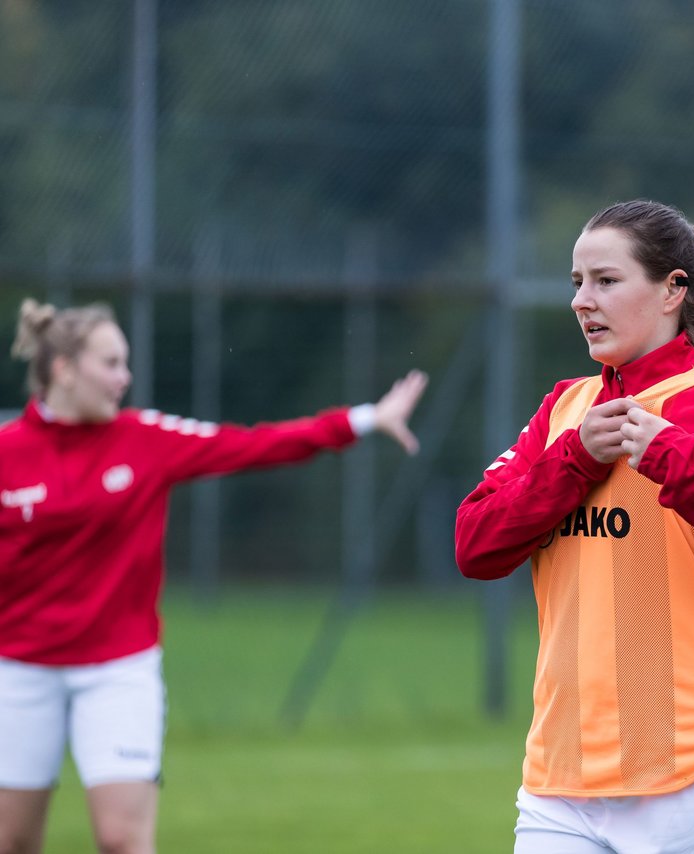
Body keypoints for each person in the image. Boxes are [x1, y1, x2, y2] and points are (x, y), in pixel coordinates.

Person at [455, 200, 694, 853]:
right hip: (561, 788)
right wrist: (574, 460)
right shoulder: (565, 410)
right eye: (576, 283)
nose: (582, 301)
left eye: (605, 280)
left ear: (671, 291)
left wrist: (673, 457)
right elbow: (475, 544)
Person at [0, 299, 427, 854]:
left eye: (125, 363)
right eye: (110, 363)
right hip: (19, 669)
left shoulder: (145, 438)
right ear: (62, 369)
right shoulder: (9, 452)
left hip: (117, 670)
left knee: (120, 839)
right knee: (12, 840)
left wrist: (364, 419)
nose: (124, 378)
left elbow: (254, 444)